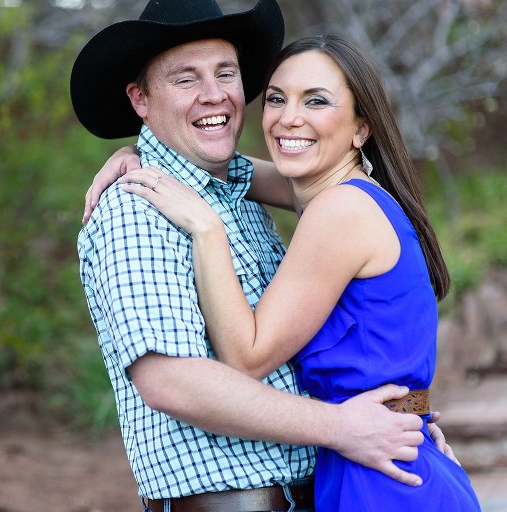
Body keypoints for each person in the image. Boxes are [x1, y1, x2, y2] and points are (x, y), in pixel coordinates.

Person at [72, 1, 444, 511]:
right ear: (140, 99)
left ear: (362, 128)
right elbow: (170, 382)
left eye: (226, 73)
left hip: (358, 476)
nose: (214, 93)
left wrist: (399, 416)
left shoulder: (252, 197)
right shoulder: (138, 211)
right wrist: (353, 424)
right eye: (186, 79)